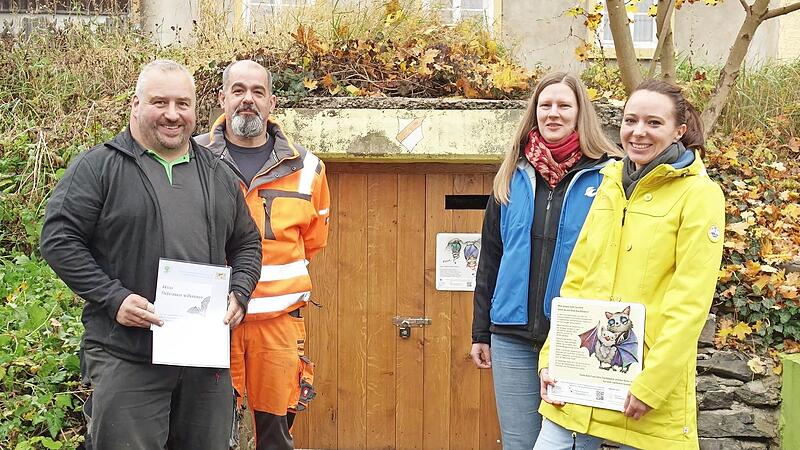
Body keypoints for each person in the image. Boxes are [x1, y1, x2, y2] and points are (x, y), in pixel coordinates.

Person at [40, 59, 262, 449]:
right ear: (136, 104)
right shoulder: (98, 168)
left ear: (196, 109)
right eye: (160, 102)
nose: (173, 115)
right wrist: (114, 298)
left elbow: (246, 244)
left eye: (183, 103)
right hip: (128, 354)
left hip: (202, 360)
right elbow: (59, 238)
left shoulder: (217, 173)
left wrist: (240, 292)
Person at [534, 80, 725, 449]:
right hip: (579, 384)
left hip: (645, 396)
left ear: (679, 131)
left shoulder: (699, 195)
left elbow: (689, 305)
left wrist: (651, 386)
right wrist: (553, 358)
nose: (638, 132)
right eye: (630, 120)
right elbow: (576, 281)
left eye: (654, 123)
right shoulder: (609, 183)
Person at [470, 72, 623, 450]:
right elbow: (490, 257)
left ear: (580, 113)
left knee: (576, 446)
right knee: (519, 445)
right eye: (545, 105)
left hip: (578, 335)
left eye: (563, 105)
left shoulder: (609, 175)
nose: (553, 113)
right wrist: (480, 331)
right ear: (534, 113)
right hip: (512, 335)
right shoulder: (511, 174)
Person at [196, 59, 330, 450]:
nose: (247, 100)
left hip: (277, 326)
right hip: (209, 320)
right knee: (207, 433)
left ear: (272, 101)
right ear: (222, 98)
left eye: (257, 92)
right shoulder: (194, 158)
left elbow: (314, 241)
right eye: (238, 91)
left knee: (274, 438)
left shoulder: (308, 168)